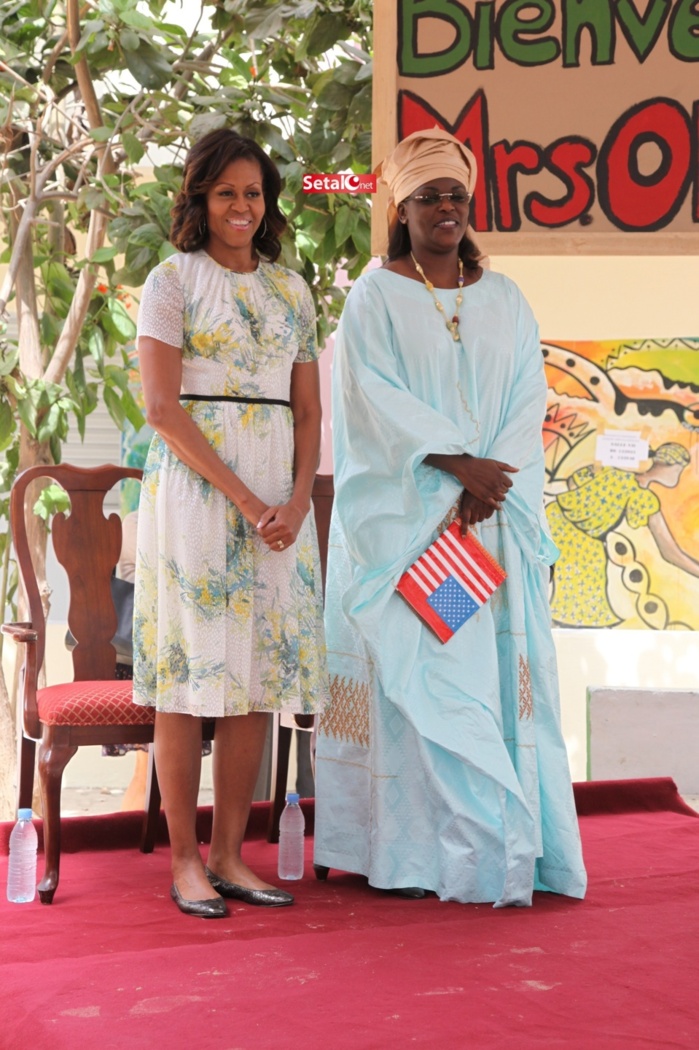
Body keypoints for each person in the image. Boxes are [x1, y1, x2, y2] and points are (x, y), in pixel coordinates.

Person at [313, 128, 587, 906]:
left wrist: (487, 479)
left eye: (455, 197)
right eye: (428, 197)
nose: (444, 210)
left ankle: (498, 853)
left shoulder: (503, 297)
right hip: (415, 528)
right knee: (429, 677)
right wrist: (453, 466)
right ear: (399, 209)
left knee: (482, 684)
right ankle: (413, 858)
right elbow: (370, 400)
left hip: (485, 529)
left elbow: (524, 396)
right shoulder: (373, 295)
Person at [133, 128, 328, 918]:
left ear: (268, 202)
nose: (241, 206)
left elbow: (309, 406)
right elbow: (159, 409)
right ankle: (184, 862)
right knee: (189, 675)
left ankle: (230, 857)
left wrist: (299, 497)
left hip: (281, 498)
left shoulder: (293, 291)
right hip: (197, 494)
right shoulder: (171, 281)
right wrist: (247, 500)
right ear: (199, 201)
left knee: (258, 676)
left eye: (252, 192)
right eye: (225, 194)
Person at [546, 442, 699, 627]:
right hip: (577, 539)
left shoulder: (615, 473)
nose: (678, 476)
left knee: (581, 596)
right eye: (678, 470)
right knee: (583, 604)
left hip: (555, 517)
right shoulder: (643, 497)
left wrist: (590, 507)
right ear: (667, 465)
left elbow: (573, 481)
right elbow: (670, 552)